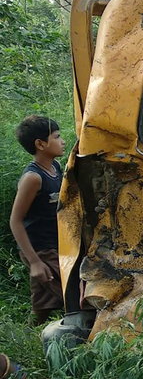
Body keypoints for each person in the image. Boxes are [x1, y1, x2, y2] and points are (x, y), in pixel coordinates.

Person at [9, 115, 66, 325]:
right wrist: (34, 261)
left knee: (45, 297)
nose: (63, 141)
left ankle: (32, 330)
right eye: (57, 137)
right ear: (40, 144)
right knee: (70, 292)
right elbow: (15, 221)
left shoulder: (55, 168)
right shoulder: (33, 178)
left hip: (53, 243)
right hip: (40, 247)